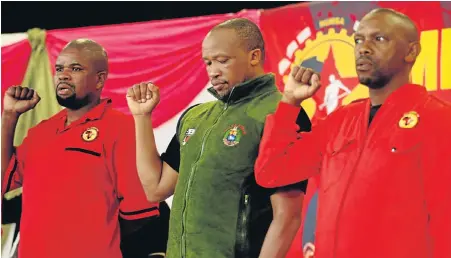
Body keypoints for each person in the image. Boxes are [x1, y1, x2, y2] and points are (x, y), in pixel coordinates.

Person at [254, 8, 451, 258]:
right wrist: (290, 102)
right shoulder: (339, 121)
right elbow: (271, 172)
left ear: (411, 51)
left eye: (379, 39)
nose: (363, 48)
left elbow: (446, 224)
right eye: (358, 40)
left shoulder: (438, 118)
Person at [126, 18, 310, 258]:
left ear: (254, 56)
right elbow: (155, 189)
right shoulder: (196, 117)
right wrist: (142, 118)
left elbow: (288, 216)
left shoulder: (282, 112)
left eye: (222, 61)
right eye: (208, 62)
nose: (213, 71)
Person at [1, 39, 159, 258]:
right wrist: (9, 115)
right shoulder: (40, 132)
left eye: (75, 68)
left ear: (99, 79)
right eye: (59, 69)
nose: (63, 75)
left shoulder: (121, 128)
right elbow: (3, 180)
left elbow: (140, 213)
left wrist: (92, 239)